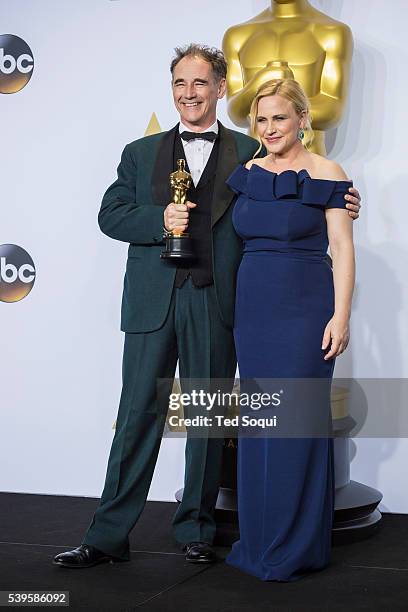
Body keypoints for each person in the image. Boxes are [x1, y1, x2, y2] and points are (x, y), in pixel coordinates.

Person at [53, 46, 361, 569]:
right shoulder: (139, 151)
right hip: (153, 303)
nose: (188, 94)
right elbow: (111, 215)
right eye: (179, 83)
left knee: (207, 416)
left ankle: (195, 528)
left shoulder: (250, 150)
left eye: (199, 83)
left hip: (219, 300)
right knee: (136, 417)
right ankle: (106, 536)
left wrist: (346, 199)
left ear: (220, 88)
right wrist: (159, 219)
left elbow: (303, 188)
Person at [225, 78, 355, 581]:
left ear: (303, 118)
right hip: (253, 311)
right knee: (260, 427)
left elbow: (341, 249)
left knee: (295, 426)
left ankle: (295, 547)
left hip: (305, 310)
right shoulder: (246, 173)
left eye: (280, 117)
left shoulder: (327, 172)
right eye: (261, 119)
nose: (270, 128)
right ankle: (259, 541)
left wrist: (340, 316)